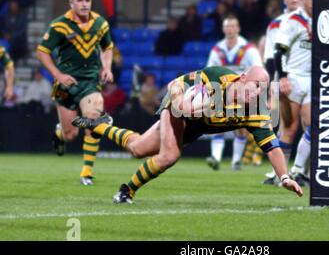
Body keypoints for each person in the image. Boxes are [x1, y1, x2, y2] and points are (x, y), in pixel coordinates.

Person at [72, 66, 302, 204]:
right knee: (170, 155)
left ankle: (99, 125)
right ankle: (126, 191)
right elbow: (175, 84)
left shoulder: (255, 110)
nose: (256, 93)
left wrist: (284, 177)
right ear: (242, 78)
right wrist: (181, 101)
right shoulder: (216, 78)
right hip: (176, 108)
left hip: (195, 126)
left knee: (137, 148)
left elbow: (272, 147)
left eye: (261, 90)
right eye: (254, 86)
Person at [36, 0, 114, 186]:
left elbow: (108, 47)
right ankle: (60, 132)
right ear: (71, 3)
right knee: (71, 134)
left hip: (90, 82)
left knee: (93, 122)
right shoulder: (59, 26)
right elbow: (42, 51)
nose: (84, 4)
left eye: (87, 0)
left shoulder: (100, 23)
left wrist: (107, 67)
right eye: (79, 0)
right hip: (67, 83)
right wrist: (58, 75)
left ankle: (86, 173)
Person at [263, 0, 313, 186]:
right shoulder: (283, 22)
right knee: (289, 128)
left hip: (314, 78)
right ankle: (280, 174)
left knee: (313, 126)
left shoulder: (322, 20)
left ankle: (300, 171)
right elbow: (273, 55)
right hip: (290, 78)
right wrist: (277, 80)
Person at [205, 14, 263, 171]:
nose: (230, 29)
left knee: (240, 126)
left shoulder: (248, 49)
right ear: (223, 29)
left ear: (238, 28)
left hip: (242, 92)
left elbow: (259, 69)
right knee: (216, 121)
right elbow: (209, 71)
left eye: (233, 26)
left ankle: (235, 161)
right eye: (227, 26)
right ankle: (215, 158)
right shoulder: (217, 49)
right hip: (222, 90)